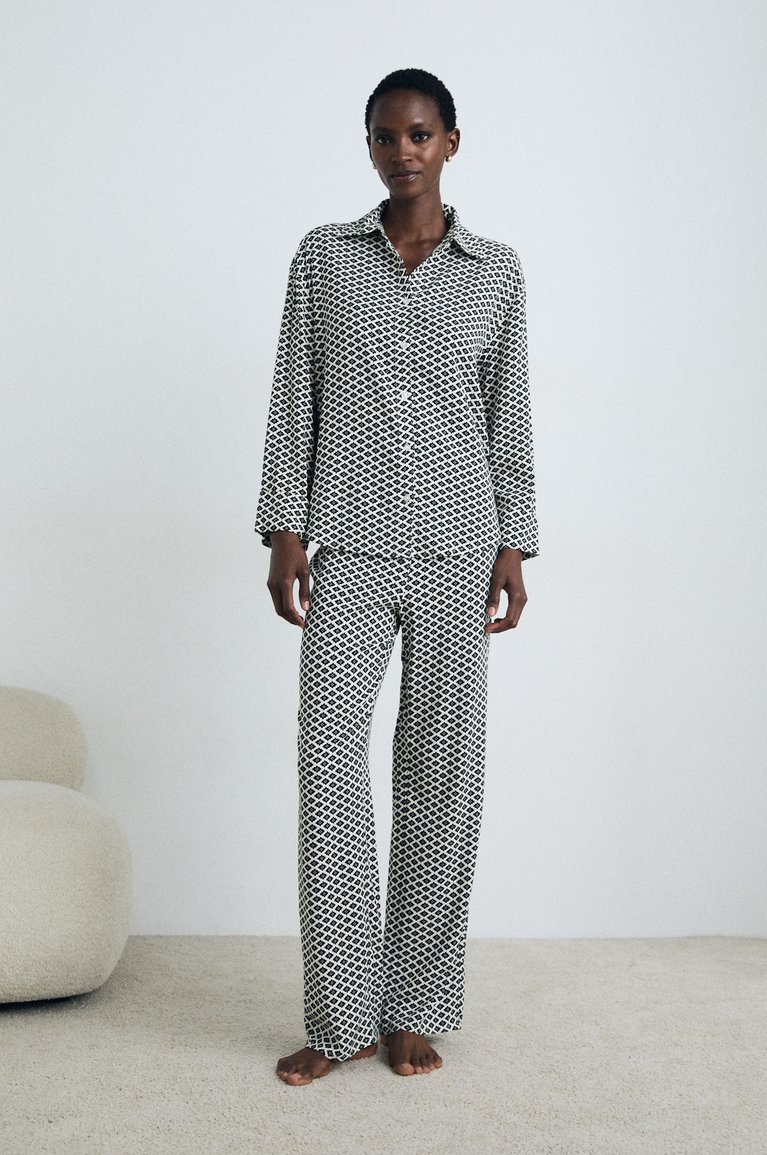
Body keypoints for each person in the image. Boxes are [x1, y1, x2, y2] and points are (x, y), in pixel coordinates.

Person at [255, 67, 539, 1086]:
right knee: (328, 759)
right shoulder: (323, 260)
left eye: (420, 133)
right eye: (386, 135)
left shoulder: (495, 273)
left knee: (440, 770)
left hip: (462, 545)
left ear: (451, 142)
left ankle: (413, 1007)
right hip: (351, 541)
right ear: (369, 146)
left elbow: (507, 413)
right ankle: (341, 1019)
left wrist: (514, 543)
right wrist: (283, 527)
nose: (403, 150)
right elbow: (295, 393)